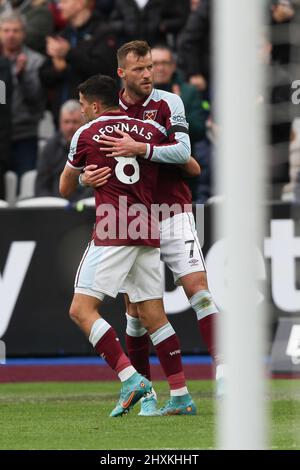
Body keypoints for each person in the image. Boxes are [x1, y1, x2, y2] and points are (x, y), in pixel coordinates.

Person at [82, 41, 226, 416]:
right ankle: (153, 396)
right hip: (134, 217)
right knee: (137, 310)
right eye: (142, 68)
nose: (150, 74)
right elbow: (88, 163)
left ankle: (225, 369)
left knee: (199, 290)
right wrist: (89, 176)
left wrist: (140, 148)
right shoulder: (111, 110)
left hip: (173, 208)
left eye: (153, 67)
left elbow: (184, 155)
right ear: (122, 74)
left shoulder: (168, 103)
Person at [59, 74, 197, 417]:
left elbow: (64, 188)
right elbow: (190, 164)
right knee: (154, 316)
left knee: (81, 310)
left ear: (93, 105)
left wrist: (82, 179)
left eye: (81, 106)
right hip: (148, 227)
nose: (81, 112)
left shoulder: (85, 134)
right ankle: (180, 394)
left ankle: (130, 378)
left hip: (114, 227)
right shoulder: (146, 130)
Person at [39, 0, 117, 125]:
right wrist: (58, 70)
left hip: (94, 118)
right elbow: (44, 76)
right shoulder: (63, 35)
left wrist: (69, 53)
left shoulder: (104, 33)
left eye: (64, 2)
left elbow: (105, 71)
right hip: (63, 117)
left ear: (80, 3)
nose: (59, 6)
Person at [0, 11, 45, 182]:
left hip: (25, 134)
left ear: (23, 33)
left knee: (27, 182)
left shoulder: (35, 61)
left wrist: (22, 76)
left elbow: (37, 100)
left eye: (15, 30)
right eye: (6, 30)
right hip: (1, 134)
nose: (10, 35)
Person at [35, 99, 93, 202]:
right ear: (60, 123)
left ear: (84, 123)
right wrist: (53, 205)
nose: (70, 127)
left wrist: (78, 205)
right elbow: (41, 186)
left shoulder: (93, 146)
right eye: (66, 122)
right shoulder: (50, 147)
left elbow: (96, 184)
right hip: (55, 208)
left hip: (84, 207)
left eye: (75, 122)